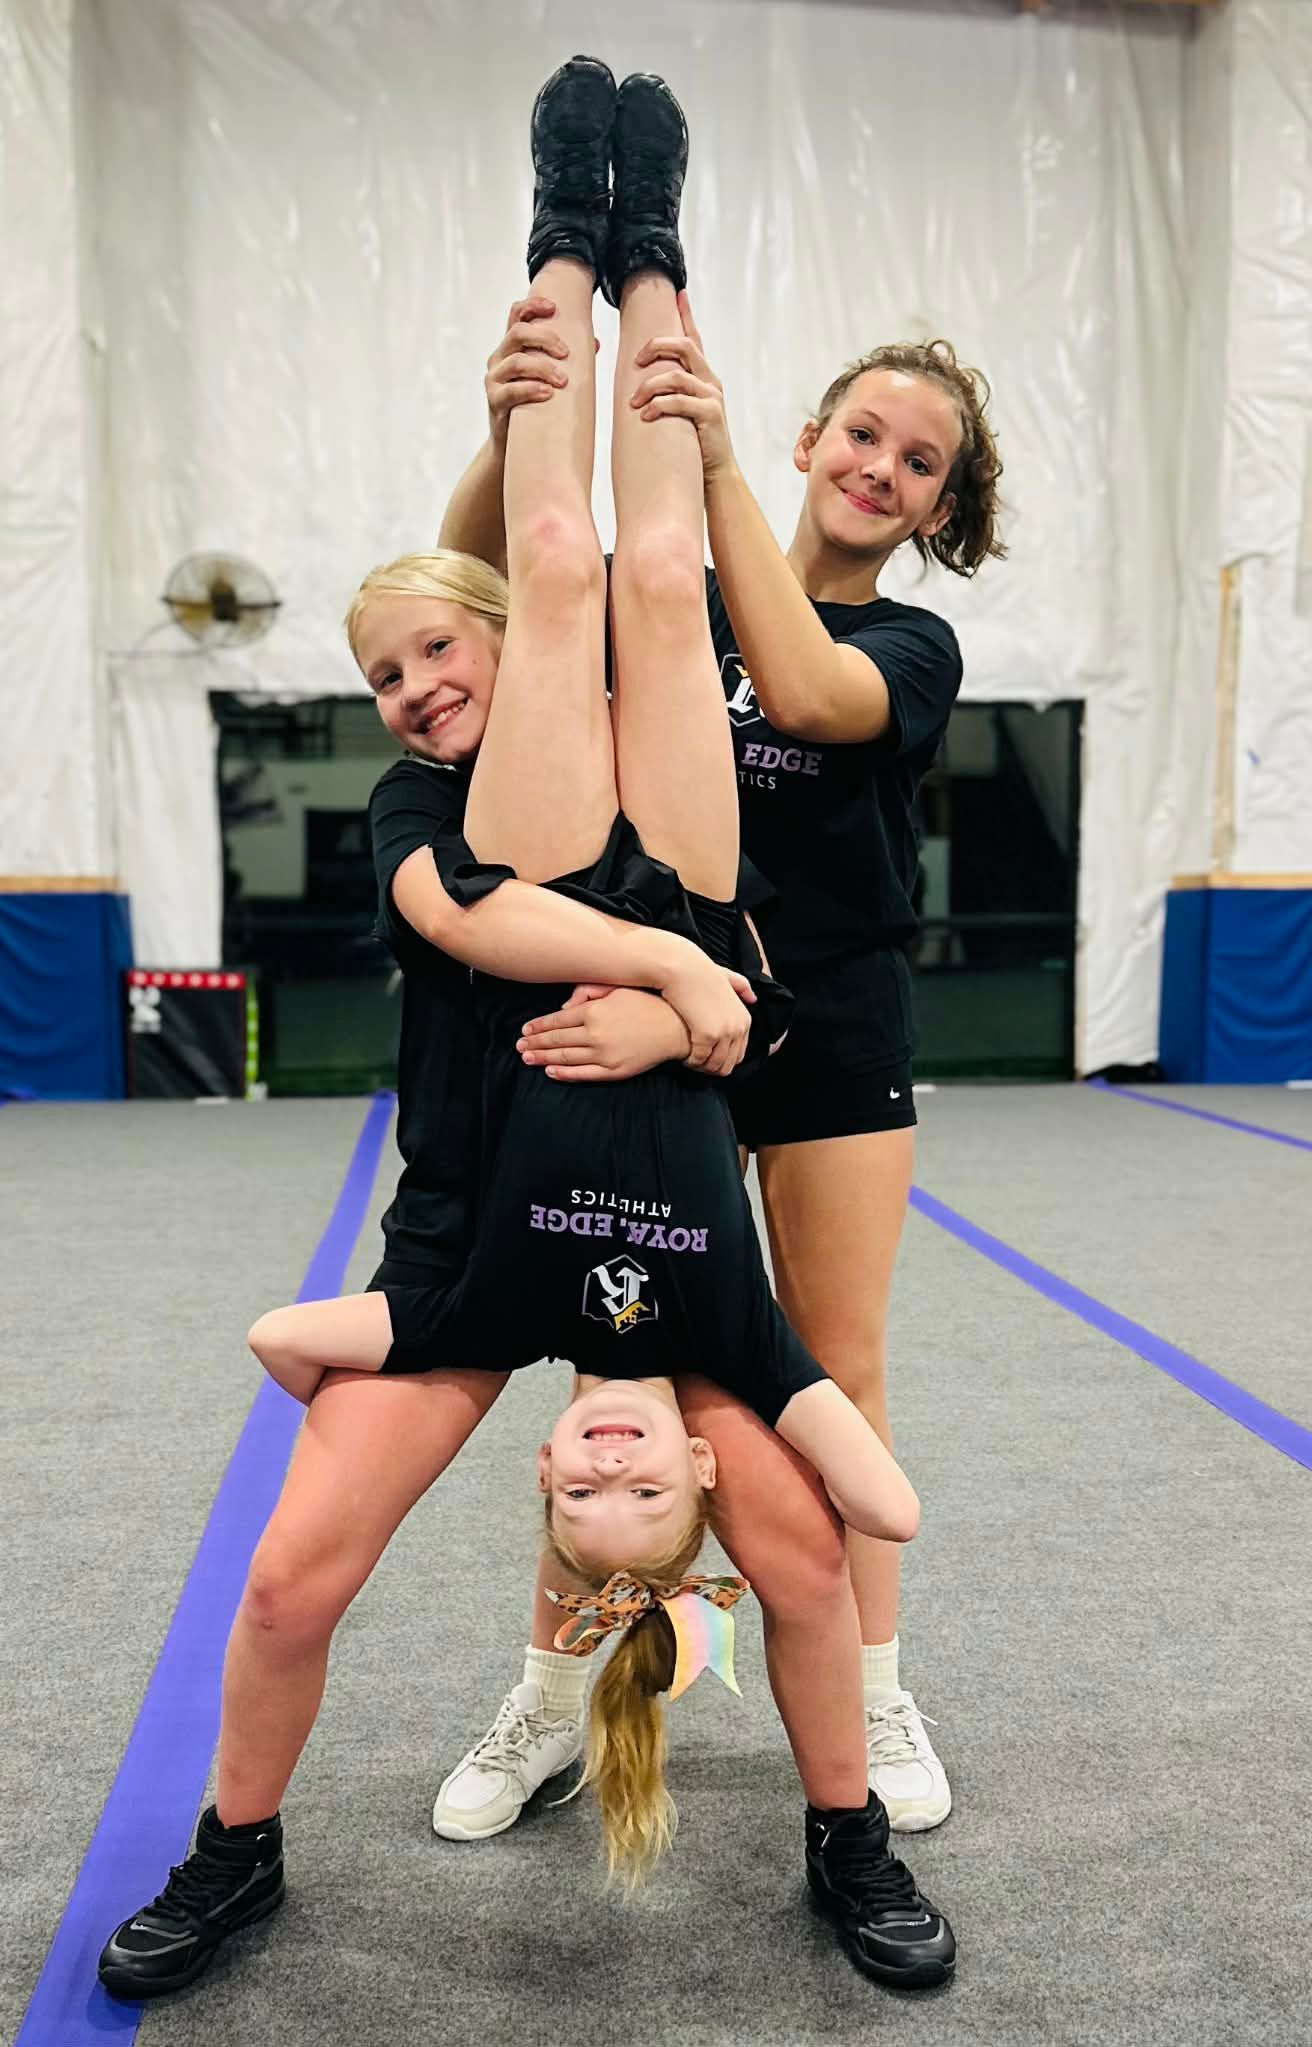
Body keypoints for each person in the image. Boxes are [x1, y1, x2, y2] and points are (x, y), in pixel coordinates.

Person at [97, 58, 954, 2001]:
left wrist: (676, 1007)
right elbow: (861, 1495)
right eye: (635, 1482)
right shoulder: (716, 1347)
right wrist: (689, 992)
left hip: (557, 886)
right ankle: (646, 250)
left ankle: (564, 241)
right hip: (684, 889)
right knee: (647, 571)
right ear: (671, 1470)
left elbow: (287, 1338)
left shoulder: (468, 1321)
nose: (604, 1462)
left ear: (560, 1476)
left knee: (553, 571)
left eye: (584, 1485)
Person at [437, 84, 1005, 1839]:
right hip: (653, 984)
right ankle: (551, 1699)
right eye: (866, 431)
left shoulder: (904, 638)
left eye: (918, 463)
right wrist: (513, 412)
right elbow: (486, 566)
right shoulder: (661, 571)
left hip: (827, 1025)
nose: (880, 468)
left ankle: (881, 1697)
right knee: (620, 1369)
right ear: (827, 424)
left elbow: (816, 694)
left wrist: (725, 453)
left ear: (935, 510)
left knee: (832, 1362)